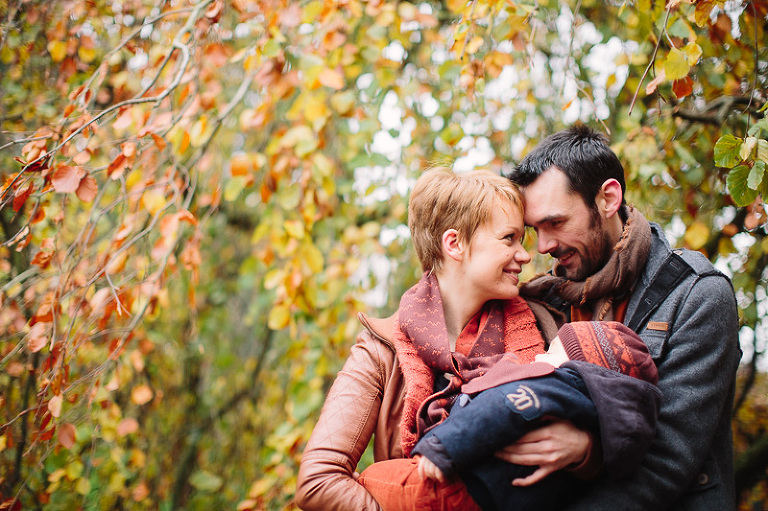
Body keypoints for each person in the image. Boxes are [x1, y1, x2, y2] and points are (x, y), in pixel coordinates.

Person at [502, 124, 741, 510]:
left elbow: (666, 462)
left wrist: (588, 450)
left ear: (608, 199)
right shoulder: (544, 302)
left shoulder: (697, 295)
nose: (543, 246)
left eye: (556, 223)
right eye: (535, 230)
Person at [295, 167, 547, 510]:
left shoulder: (543, 324)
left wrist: (584, 451)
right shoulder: (379, 350)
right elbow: (317, 481)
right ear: (454, 243)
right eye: (509, 238)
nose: (525, 255)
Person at [412, 320, 662, 511]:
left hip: (466, 484)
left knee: (376, 479)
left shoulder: (550, 385)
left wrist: (442, 446)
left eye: (551, 351)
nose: (539, 356)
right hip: (511, 497)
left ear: (580, 368)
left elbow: (501, 405)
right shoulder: (601, 416)